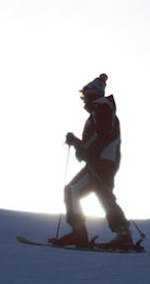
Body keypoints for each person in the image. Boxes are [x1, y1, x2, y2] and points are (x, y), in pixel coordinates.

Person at [51, 73, 134, 248]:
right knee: (103, 194)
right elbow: (98, 138)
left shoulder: (101, 107)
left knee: (72, 190)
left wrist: (81, 148)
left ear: (92, 94)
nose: (82, 99)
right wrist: (77, 143)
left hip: (102, 162)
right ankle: (123, 235)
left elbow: (101, 136)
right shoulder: (102, 109)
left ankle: (79, 233)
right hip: (105, 161)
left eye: (84, 95)